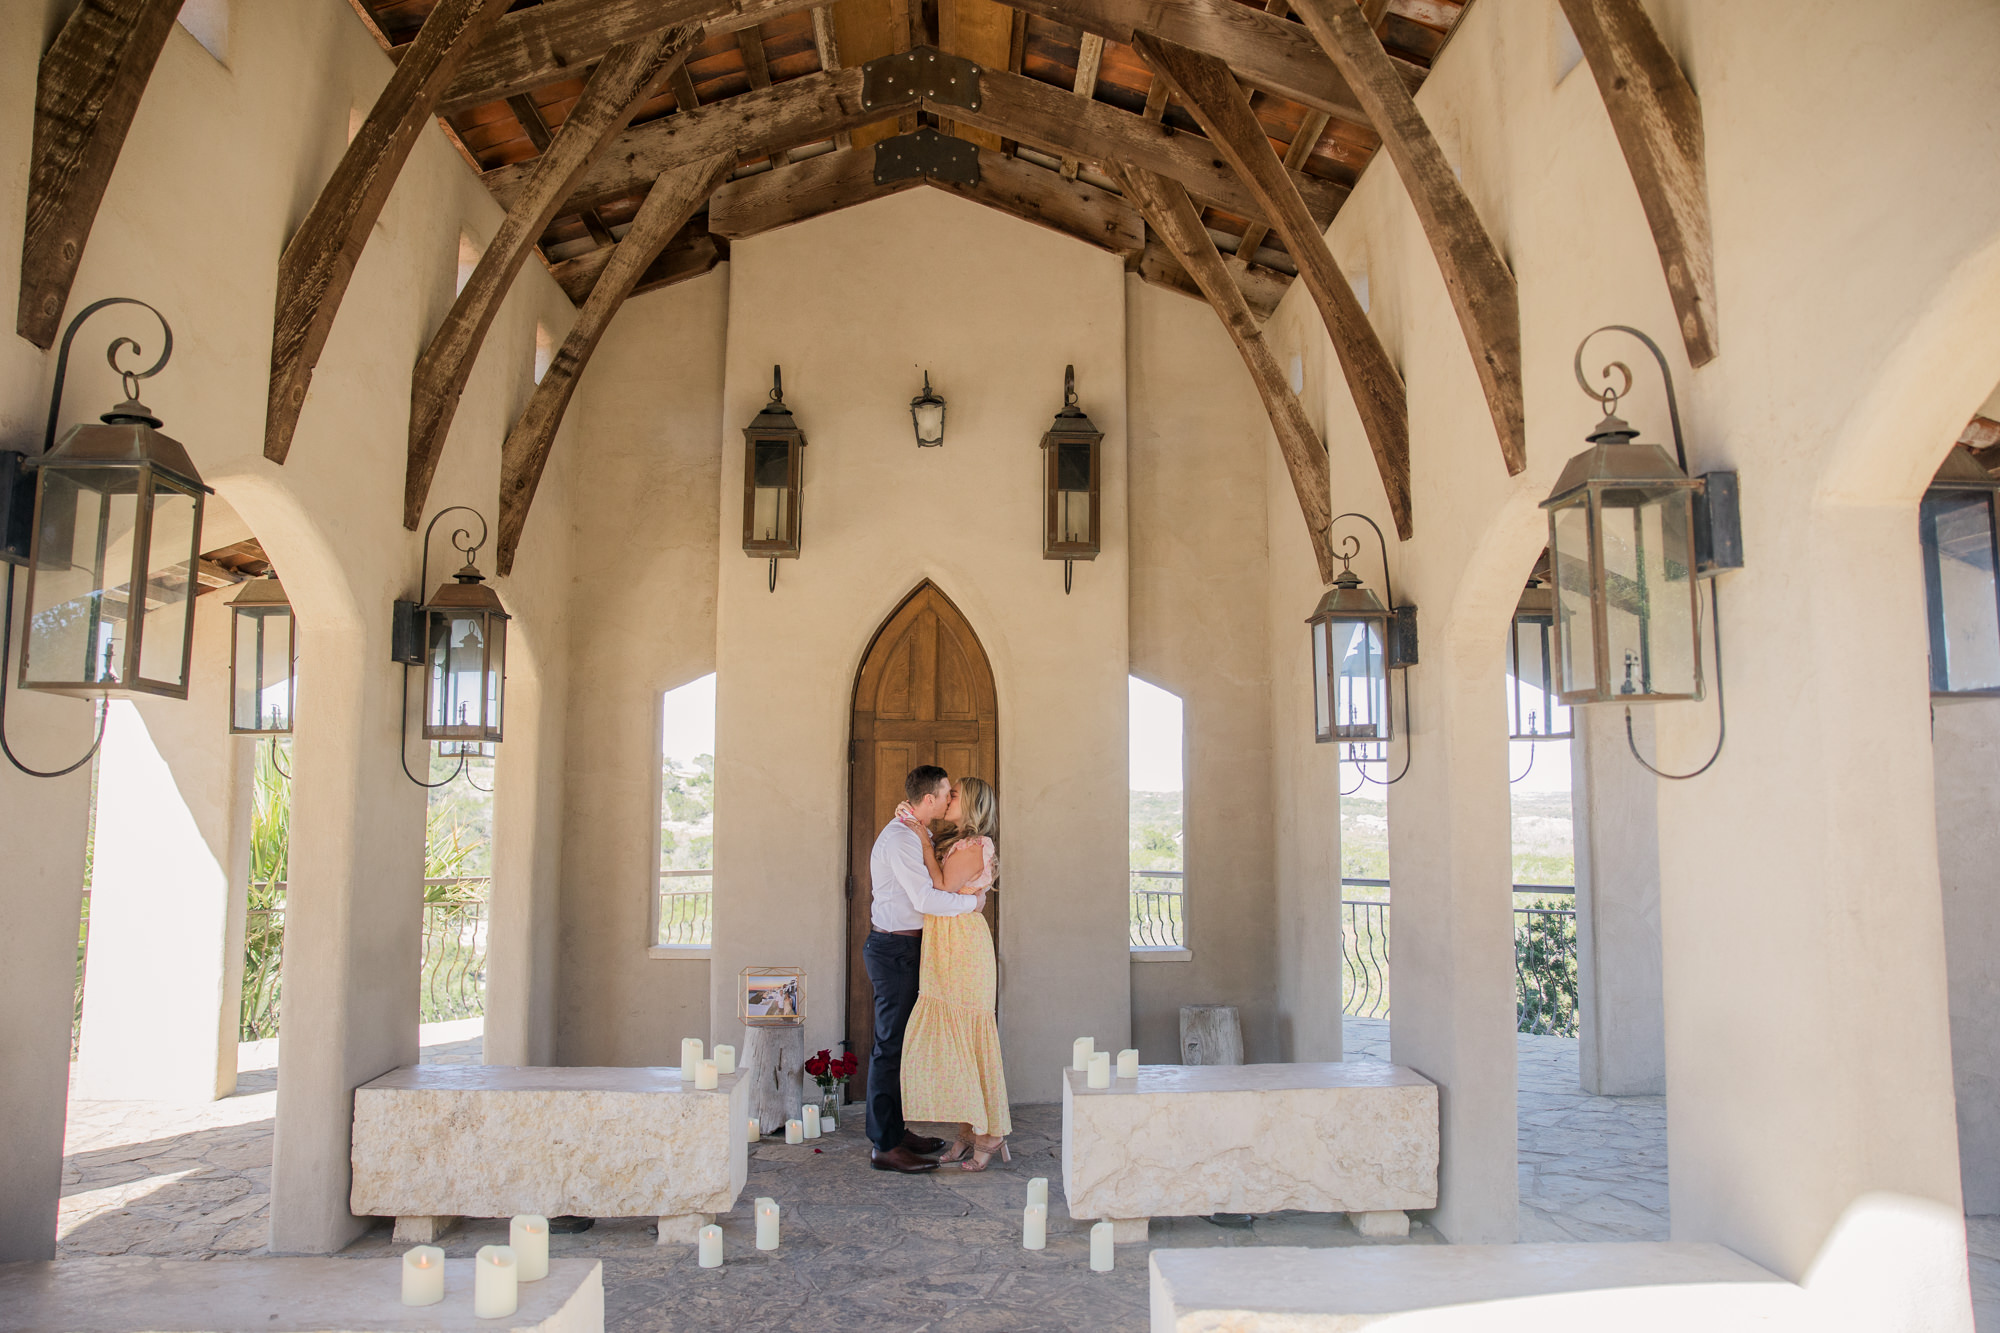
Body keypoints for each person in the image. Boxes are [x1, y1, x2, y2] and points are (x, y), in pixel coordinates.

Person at [864, 764, 983, 1173]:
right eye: (947, 792)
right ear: (929, 798)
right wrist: (973, 904)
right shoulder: (900, 838)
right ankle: (884, 1146)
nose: (952, 798)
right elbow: (925, 899)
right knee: (889, 1047)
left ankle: (897, 1132)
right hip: (894, 949)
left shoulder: (914, 831)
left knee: (905, 1045)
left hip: (909, 949)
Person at [899, 775, 1010, 1170]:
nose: (949, 800)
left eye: (956, 795)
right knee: (957, 1041)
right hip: (946, 940)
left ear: (973, 803)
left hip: (962, 944)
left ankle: (990, 1132)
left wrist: (925, 843)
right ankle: (968, 1129)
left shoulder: (976, 845)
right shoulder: (959, 842)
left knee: (970, 1038)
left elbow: (943, 883)